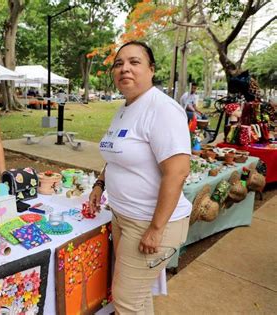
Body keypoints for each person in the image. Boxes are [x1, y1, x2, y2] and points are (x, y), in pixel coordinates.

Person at [89, 41, 191, 314]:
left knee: (125, 301)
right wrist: (100, 183)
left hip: (151, 222)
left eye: (134, 62)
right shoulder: (124, 109)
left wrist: (156, 229)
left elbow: (178, 171)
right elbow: (114, 156)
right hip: (123, 216)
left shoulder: (162, 109)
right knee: (138, 297)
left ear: (151, 70)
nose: (125, 69)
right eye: (119, 64)